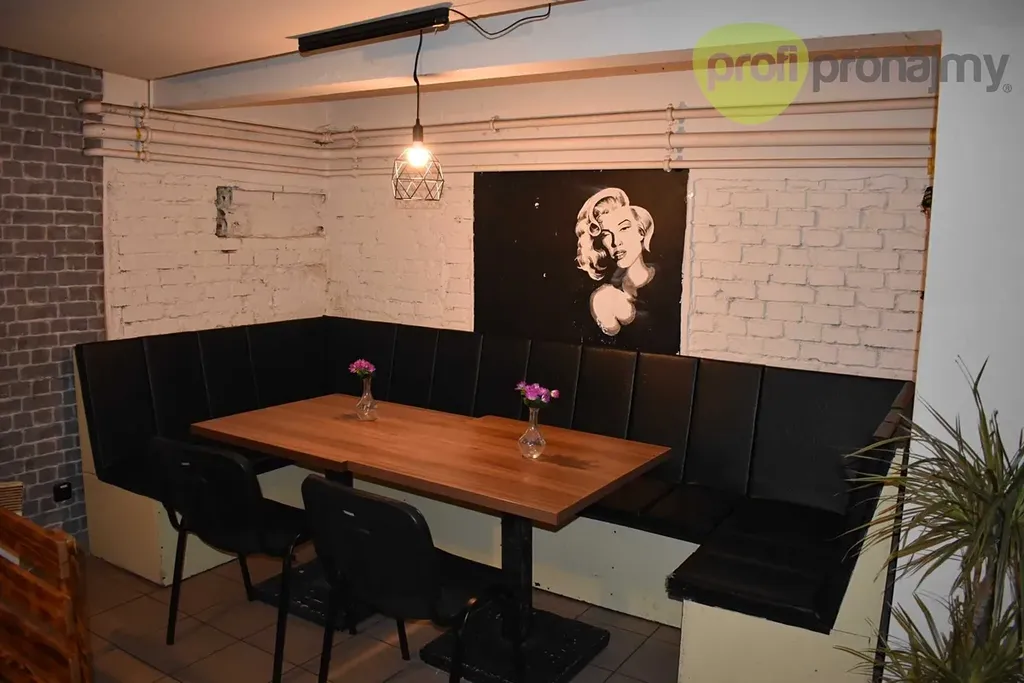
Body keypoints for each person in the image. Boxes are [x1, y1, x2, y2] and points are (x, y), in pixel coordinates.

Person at [574, 188, 657, 337]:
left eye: (623, 228)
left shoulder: (668, 279)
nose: (615, 242)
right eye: (606, 234)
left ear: (641, 231)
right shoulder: (604, 297)